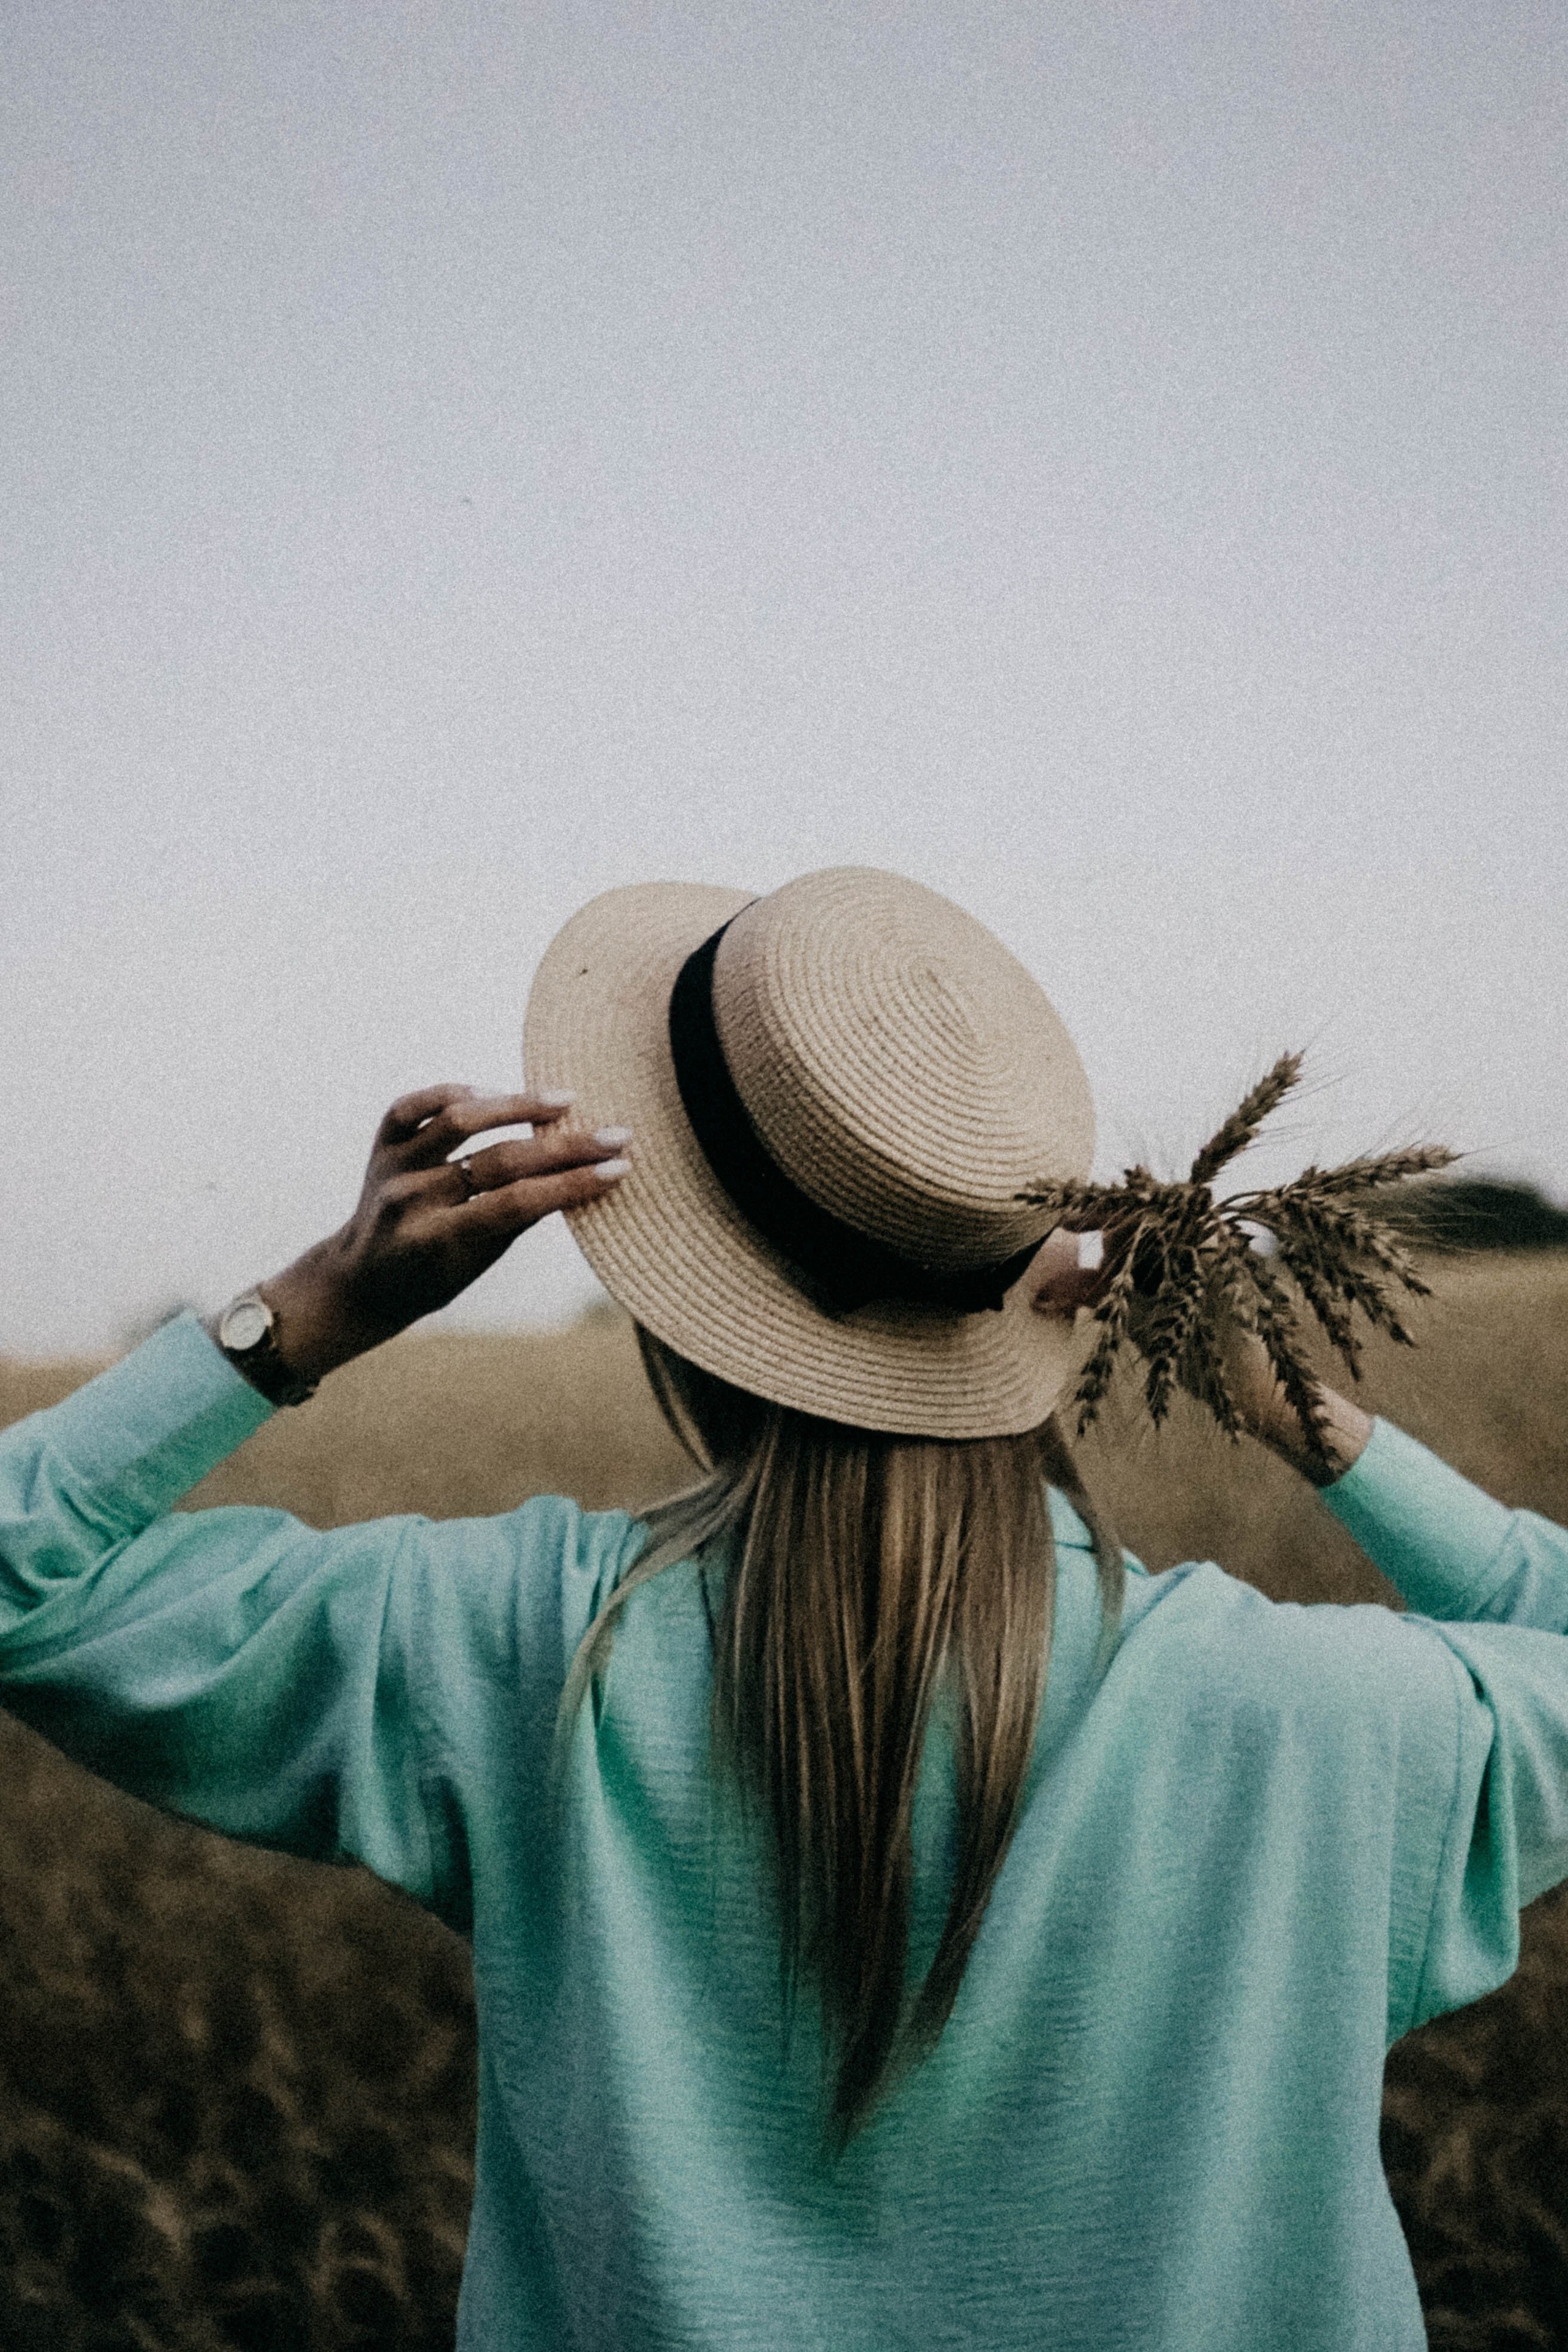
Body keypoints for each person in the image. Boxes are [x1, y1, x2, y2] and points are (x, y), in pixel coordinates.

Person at [1, 864, 1564, 2352]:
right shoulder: (1332, 1725)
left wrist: (320, 1303)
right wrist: (1305, 1416)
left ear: (671, 1294)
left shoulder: (515, 1648)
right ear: (1027, 1274)